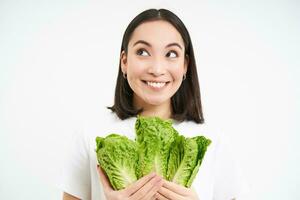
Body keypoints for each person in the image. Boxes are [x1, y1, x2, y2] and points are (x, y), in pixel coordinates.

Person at [61, 8, 249, 200]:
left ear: (185, 65)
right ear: (124, 61)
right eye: (143, 52)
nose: (157, 69)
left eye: (171, 54)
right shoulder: (90, 134)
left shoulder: (214, 141)